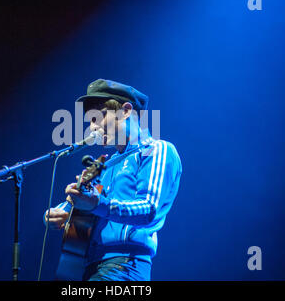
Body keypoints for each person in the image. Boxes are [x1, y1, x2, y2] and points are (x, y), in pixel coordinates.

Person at [44, 79, 182, 281]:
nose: (92, 128)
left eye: (96, 118)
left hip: (125, 265)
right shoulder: (102, 165)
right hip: (87, 267)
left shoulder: (156, 150)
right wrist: (60, 213)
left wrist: (96, 203)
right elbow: (85, 208)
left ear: (126, 111)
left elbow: (148, 209)